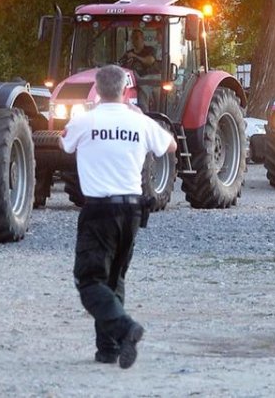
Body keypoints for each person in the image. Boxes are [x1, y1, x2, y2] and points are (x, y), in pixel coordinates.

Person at [60, 64, 177, 368]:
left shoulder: (84, 121)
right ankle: (109, 349)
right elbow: (171, 145)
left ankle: (125, 329)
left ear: (97, 90)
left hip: (99, 210)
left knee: (89, 280)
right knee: (114, 277)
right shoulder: (140, 122)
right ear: (126, 90)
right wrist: (140, 120)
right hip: (133, 211)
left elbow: (65, 144)